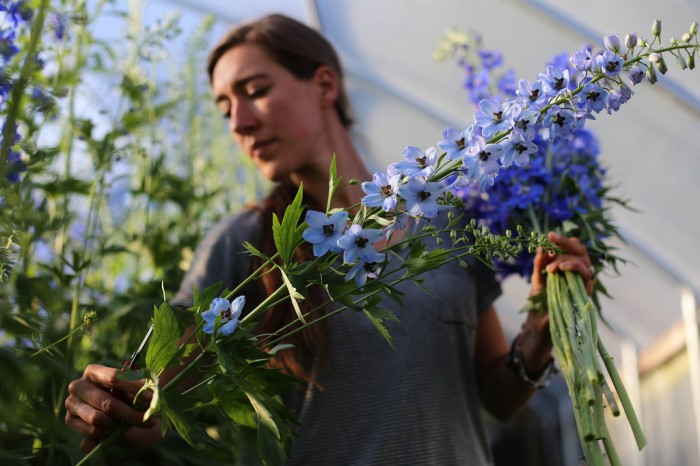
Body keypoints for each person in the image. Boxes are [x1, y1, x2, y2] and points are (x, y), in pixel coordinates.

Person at [64, 13, 596, 465]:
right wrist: (117, 405)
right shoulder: (247, 240)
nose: (240, 123)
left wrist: (538, 339)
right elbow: (157, 390)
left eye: (255, 92)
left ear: (324, 85)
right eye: (225, 109)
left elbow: (498, 399)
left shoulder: (446, 223)